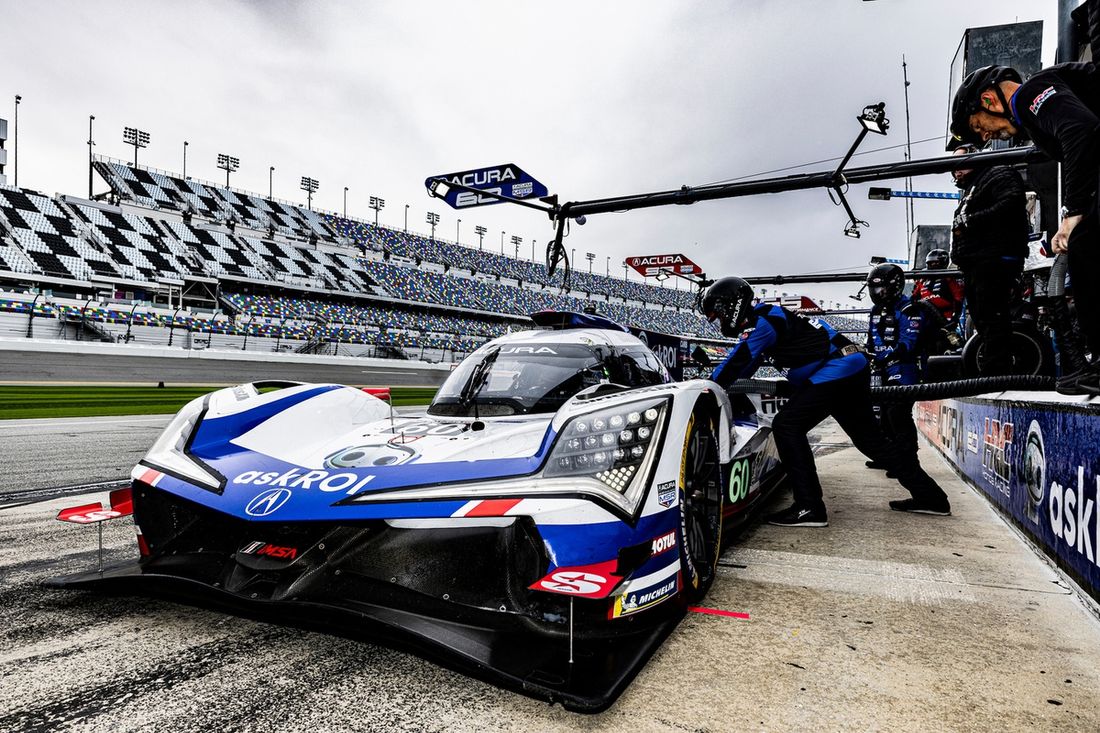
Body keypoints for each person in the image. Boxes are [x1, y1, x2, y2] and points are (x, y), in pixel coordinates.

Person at [701, 277, 951, 527]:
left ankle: (809, 507)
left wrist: (706, 386)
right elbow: (747, 366)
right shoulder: (769, 316)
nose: (719, 320)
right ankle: (931, 497)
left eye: (718, 314)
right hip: (850, 368)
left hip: (837, 370)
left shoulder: (761, 323)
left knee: (787, 426)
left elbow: (736, 363)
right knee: (872, 443)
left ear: (731, 306)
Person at [950, 63, 1100, 392]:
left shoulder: (1029, 93)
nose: (986, 136)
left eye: (979, 126)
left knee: (1086, 245)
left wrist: (1073, 212)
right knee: (1087, 245)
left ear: (989, 100)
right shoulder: (1036, 110)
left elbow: (1081, 130)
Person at [947, 143, 1030, 375]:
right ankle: (994, 370)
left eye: (959, 164)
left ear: (974, 158)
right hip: (976, 262)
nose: (956, 171)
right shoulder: (971, 190)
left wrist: (970, 221)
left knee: (992, 316)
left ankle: (997, 373)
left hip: (995, 259)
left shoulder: (998, 172)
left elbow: (1011, 202)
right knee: (982, 318)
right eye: (952, 168)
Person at [865, 264, 932, 459]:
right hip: (880, 369)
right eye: (874, 288)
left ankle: (908, 460)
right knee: (882, 413)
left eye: (881, 288)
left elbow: (908, 344)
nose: (877, 293)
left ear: (895, 286)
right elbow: (871, 339)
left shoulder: (909, 309)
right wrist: (868, 354)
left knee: (898, 413)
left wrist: (884, 356)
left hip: (904, 367)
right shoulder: (875, 310)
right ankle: (890, 458)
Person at [911, 248, 965, 329]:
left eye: (936, 263)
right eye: (931, 263)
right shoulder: (922, 280)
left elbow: (958, 299)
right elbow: (914, 298)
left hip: (945, 318)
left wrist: (955, 318)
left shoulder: (950, 278)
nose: (933, 265)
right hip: (924, 318)